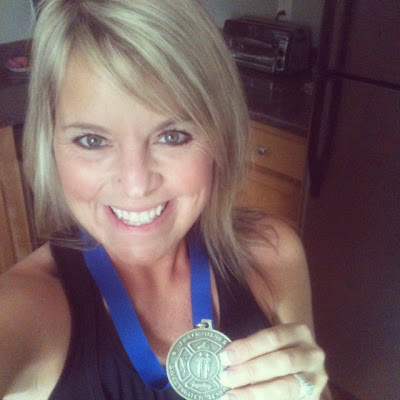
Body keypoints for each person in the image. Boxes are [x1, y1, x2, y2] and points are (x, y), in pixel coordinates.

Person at [0, 0, 330, 399]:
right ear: (50, 145)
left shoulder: (272, 255)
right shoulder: (27, 305)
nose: (136, 184)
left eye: (172, 136)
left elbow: (314, 390)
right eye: (92, 140)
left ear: (219, 136)